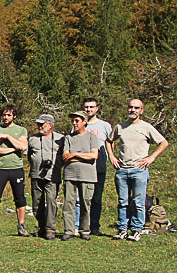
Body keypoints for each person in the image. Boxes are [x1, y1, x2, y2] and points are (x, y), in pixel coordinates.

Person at [106, 99, 169, 242]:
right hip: (122, 170)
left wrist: (151, 158)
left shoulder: (146, 127)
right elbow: (109, 141)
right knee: (123, 201)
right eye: (130, 107)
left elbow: (163, 143)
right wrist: (112, 157)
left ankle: (136, 230)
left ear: (141, 110)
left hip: (139, 170)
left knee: (138, 202)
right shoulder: (120, 127)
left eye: (136, 108)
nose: (133, 110)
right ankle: (122, 228)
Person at [0, 105, 29, 236]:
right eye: (4, 115)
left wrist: (7, 137)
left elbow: (23, 146)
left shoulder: (21, 130)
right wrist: (13, 149)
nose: (5, 117)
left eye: (9, 115)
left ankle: (21, 226)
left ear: (14, 116)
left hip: (16, 169)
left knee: (20, 198)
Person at [75, 98, 114, 236]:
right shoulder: (78, 123)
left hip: (99, 166)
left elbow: (110, 143)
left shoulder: (105, 126)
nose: (89, 109)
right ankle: (79, 226)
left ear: (97, 108)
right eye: (86, 107)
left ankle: (94, 226)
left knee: (96, 198)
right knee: (80, 198)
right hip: (82, 166)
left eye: (91, 107)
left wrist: (109, 158)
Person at [61, 111, 99, 241]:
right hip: (70, 175)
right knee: (68, 203)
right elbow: (66, 157)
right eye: (73, 120)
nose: (74, 123)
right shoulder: (68, 138)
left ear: (85, 122)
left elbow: (93, 156)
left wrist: (75, 154)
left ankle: (84, 230)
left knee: (85, 203)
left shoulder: (92, 137)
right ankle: (69, 230)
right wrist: (83, 157)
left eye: (77, 120)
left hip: (87, 175)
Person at [27, 115, 64, 240]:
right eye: (38, 124)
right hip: (36, 174)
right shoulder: (32, 138)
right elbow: (29, 156)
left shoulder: (60, 139)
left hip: (52, 175)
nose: (39, 126)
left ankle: (50, 229)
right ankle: (42, 227)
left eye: (42, 124)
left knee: (51, 201)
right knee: (37, 203)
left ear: (50, 125)